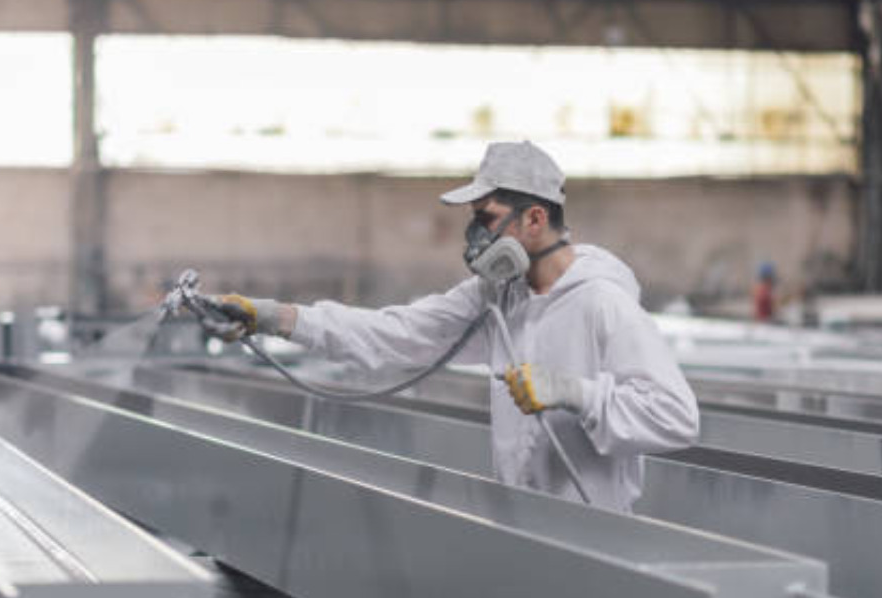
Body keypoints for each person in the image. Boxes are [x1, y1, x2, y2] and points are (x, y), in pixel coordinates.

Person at [208, 141, 699, 513]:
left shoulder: (602, 302)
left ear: (533, 218)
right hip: (524, 523)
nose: (475, 235)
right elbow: (396, 332)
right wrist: (275, 317)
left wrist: (575, 392)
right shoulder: (498, 298)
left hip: (596, 532)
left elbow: (677, 418)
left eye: (486, 218)